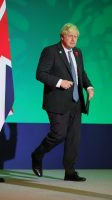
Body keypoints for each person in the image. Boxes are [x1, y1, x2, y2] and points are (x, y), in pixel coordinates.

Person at [31, 23, 94, 182]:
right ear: (62, 36)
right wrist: (60, 82)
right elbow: (40, 74)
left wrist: (89, 86)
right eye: (71, 36)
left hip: (75, 101)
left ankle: (70, 172)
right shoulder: (50, 51)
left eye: (76, 37)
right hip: (56, 101)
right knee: (59, 134)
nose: (74, 39)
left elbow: (81, 73)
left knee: (74, 138)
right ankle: (38, 154)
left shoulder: (78, 52)